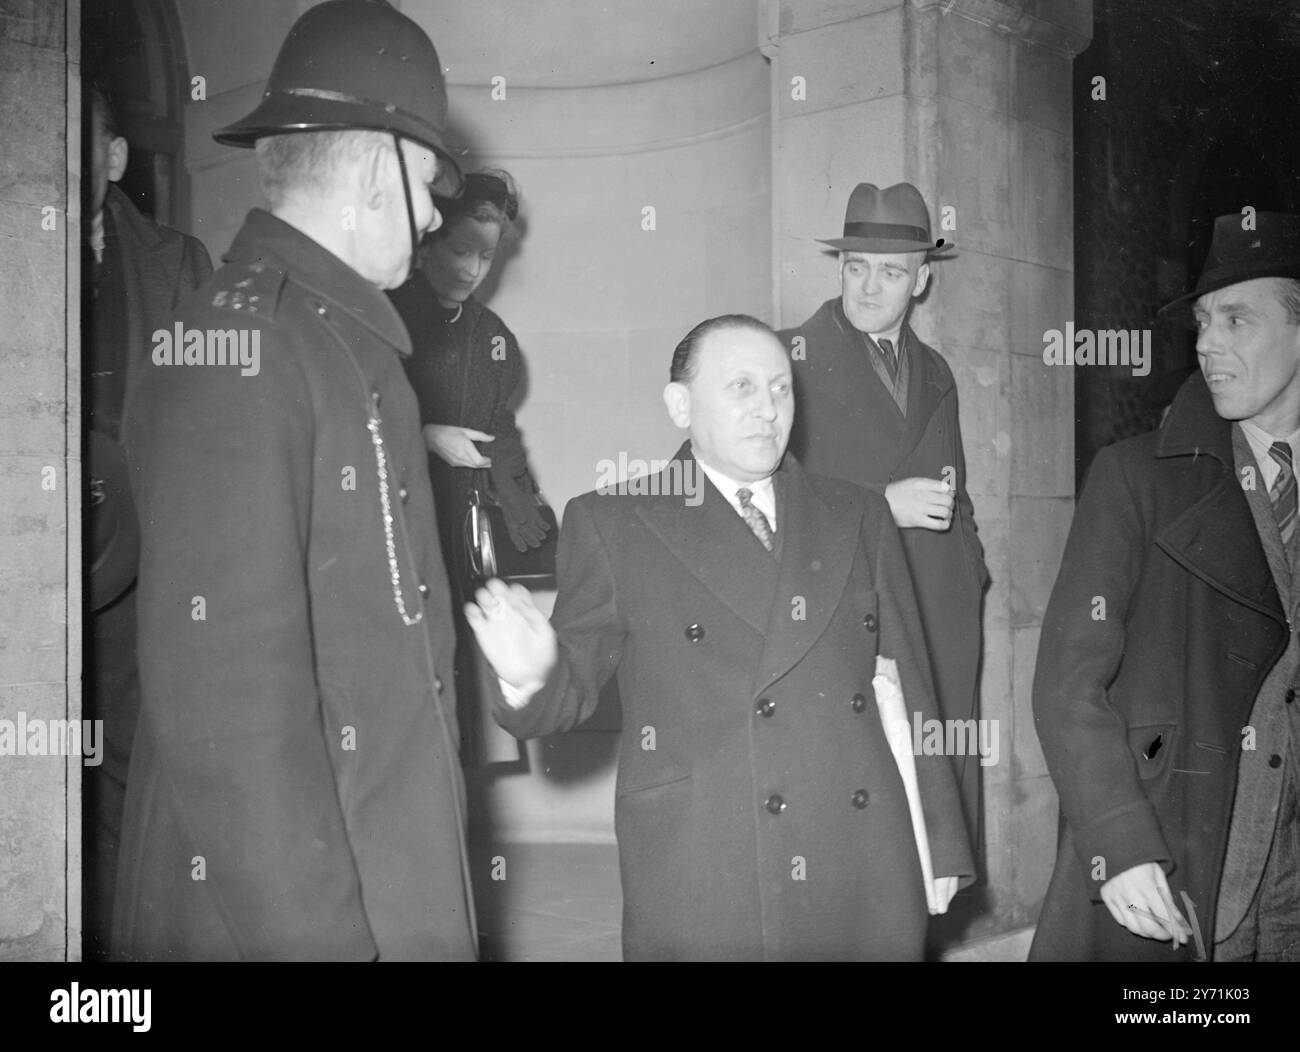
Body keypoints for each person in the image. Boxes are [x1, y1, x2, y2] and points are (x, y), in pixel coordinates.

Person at [113, 0, 476, 961]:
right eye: (429, 183)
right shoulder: (239, 345)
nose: (438, 213)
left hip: (374, 874)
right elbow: (230, 714)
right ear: (370, 169)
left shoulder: (326, 339)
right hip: (279, 916)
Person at [465, 314, 974, 960]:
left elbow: (909, 687)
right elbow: (569, 688)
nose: (768, 409)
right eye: (741, 387)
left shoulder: (857, 513)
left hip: (859, 852)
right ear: (681, 404)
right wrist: (530, 671)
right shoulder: (615, 523)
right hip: (708, 864)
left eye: (781, 388)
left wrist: (940, 839)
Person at [1031, 212, 1300, 961]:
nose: (1207, 342)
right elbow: (1066, 683)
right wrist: (1119, 842)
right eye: (1204, 322)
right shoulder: (1136, 479)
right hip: (1187, 856)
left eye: (1236, 319)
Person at [779, 182, 989, 867]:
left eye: (891, 272)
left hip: (938, 617)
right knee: (858, 828)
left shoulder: (937, 373)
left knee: (932, 833)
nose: (869, 288)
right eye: (855, 267)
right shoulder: (786, 359)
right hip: (848, 615)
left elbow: (957, 494)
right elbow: (754, 498)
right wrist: (880, 503)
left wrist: (969, 570)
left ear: (922, 280)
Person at [82, 78, 212, 961]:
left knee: (133, 782)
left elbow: (209, 425)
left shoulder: (180, 265)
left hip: (146, 578)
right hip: (29, 577)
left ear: (115, 156)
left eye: (76, 135)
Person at [386, 169, 549, 764]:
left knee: (465, 695)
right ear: (428, 240)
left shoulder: (493, 336)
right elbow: (352, 416)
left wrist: (523, 499)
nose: (474, 269)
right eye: (460, 250)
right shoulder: (383, 318)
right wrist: (427, 437)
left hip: (464, 529)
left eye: (487, 254)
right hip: (396, 523)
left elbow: (500, 430)